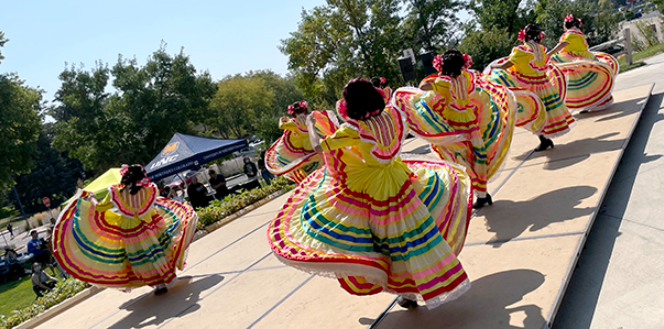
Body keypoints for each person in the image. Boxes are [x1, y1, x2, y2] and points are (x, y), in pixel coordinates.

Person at [268, 78, 474, 310]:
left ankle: (407, 293)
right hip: (399, 176)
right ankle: (413, 291)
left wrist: (312, 127)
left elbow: (318, 148)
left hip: (376, 187)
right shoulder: (392, 115)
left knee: (391, 243)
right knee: (415, 235)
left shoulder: (354, 128)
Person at [392, 50, 516, 208]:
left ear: (443, 66)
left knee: (458, 156)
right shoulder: (466, 77)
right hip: (471, 119)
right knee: (477, 154)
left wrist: (436, 77)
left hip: (454, 124)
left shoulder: (444, 82)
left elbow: (423, 87)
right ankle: (483, 193)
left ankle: (474, 191)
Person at [53, 164, 198, 295]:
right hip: (149, 225)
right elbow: (154, 201)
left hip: (130, 231)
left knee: (142, 258)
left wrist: (92, 198)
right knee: (158, 250)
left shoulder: (117, 192)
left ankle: (158, 285)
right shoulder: (149, 189)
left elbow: (100, 208)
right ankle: (166, 276)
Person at [487, 24, 575, 151]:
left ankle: (544, 140)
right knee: (544, 111)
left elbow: (506, 66)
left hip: (529, 85)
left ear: (525, 36)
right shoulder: (541, 49)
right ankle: (544, 139)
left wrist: (493, 66)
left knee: (533, 112)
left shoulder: (522, 50)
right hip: (544, 84)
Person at [547, 14, 617, 113]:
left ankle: (588, 105)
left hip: (576, 60)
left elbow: (562, 44)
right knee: (587, 84)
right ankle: (590, 104)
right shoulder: (577, 32)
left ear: (567, 24)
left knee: (580, 85)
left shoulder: (571, 34)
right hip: (583, 58)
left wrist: (549, 54)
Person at [264, 100, 339, 184]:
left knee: (312, 163)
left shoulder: (294, 122)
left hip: (308, 145)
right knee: (324, 156)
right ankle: (331, 173)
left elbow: (281, 126)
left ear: (294, 112)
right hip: (317, 138)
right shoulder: (310, 116)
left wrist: (281, 120)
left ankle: (320, 178)